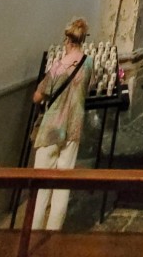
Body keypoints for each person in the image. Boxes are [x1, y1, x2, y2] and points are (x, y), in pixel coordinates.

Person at [32, 18, 94, 231]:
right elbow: (90, 85)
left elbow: (38, 96)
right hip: (73, 127)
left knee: (40, 185)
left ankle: (33, 231)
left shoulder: (58, 67)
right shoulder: (89, 63)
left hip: (51, 128)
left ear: (67, 40)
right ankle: (54, 233)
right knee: (63, 184)